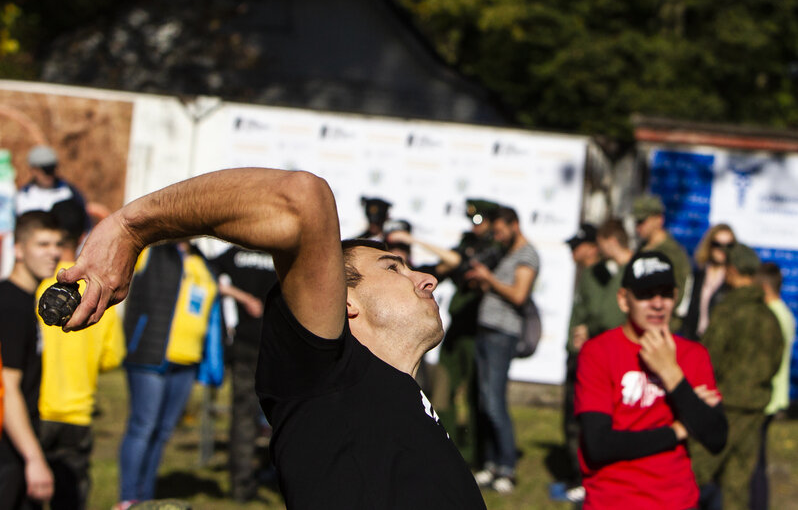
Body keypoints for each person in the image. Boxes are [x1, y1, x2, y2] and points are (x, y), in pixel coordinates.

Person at [55, 168, 486, 509]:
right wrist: (132, 228)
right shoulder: (328, 373)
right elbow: (302, 199)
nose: (427, 279)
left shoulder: (407, 398)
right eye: (393, 267)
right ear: (344, 300)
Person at [575, 250, 728, 509]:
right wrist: (677, 431)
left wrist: (672, 374)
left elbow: (715, 437)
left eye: (666, 294)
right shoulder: (598, 352)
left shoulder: (693, 355)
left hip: (677, 500)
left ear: (676, 298)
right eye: (646, 295)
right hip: (614, 500)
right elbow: (599, 444)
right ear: (624, 300)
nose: (658, 304)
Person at [386, 199, 503, 467]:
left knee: (475, 394)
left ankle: (474, 455)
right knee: (444, 389)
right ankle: (446, 448)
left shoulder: (495, 249)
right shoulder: (466, 242)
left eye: (479, 221)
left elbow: (458, 262)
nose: (475, 227)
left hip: (478, 329)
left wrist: (413, 240)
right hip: (458, 327)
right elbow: (450, 266)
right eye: (472, 221)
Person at [115, 241, 220, 508]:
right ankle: (128, 498)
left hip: (187, 361)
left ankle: (146, 497)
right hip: (149, 355)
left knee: (162, 432)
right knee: (143, 427)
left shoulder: (203, 262)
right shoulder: (152, 251)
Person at [36, 200, 126, 510]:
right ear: (82, 237)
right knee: (70, 496)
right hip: (78, 413)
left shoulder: (36, 289)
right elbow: (112, 357)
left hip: (37, 409)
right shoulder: (97, 296)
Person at [691, 244, 784, 510]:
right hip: (754, 408)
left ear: (732, 271)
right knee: (737, 486)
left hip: (723, 407)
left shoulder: (728, 312)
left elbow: (708, 359)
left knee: (693, 474)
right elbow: (775, 362)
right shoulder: (769, 316)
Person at [466, 206, 538, 494]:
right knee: (485, 401)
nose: (496, 236)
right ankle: (491, 464)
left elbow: (519, 295)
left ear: (514, 225)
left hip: (502, 334)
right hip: (486, 331)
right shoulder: (508, 253)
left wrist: (490, 279)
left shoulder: (527, 254)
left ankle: (507, 467)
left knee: (495, 401)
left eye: (499, 231)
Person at [556, 222, 626, 501]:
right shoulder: (590, 273)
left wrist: (588, 330)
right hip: (579, 353)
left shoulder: (608, 273)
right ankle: (579, 475)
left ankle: (587, 477)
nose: (574, 252)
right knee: (573, 417)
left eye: (578, 246)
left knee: (588, 419)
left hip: (596, 356)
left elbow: (603, 314)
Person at [0, 211, 62, 508]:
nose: (53, 253)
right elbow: (6, 388)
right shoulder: (10, 306)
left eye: (57, 244)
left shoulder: (27, 302)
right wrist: (34, 458)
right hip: (8, 449)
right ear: (18, 250)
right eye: (42, 244)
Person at [211, 245, 278, 502]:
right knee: (248, 417)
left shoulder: (275, 251)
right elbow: (208, 277)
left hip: (274, 348)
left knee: (257, 418)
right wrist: (244, 298)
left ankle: (256, 480)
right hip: (252, 347)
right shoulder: (239, 253)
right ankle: (244, 484)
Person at [750, 262, 795, 510]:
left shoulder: (771, 316)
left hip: (766, 396)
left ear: (765, 287)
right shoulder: (784, 313)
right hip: (774, 396)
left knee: (754, 461)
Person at [632, 194, 691, 331]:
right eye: (636, 222)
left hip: (661, 328)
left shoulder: (672, 253)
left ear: (659, 219)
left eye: (642, 221)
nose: (638, 227)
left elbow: (680, 294)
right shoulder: (641, 248)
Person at [682, 224, 736, 340]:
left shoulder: (733, 280)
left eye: (728, 246)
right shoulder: (696, 275)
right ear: (709, 245)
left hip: (719, 342)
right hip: (694, 339)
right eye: (717, 244)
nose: (722, 250)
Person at [16, 146, 89, 230]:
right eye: (45, 170)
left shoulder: (69, 192)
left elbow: (86, 224)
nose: (49, 174)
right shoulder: (23, 196)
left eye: (52, 168)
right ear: (33, 170)